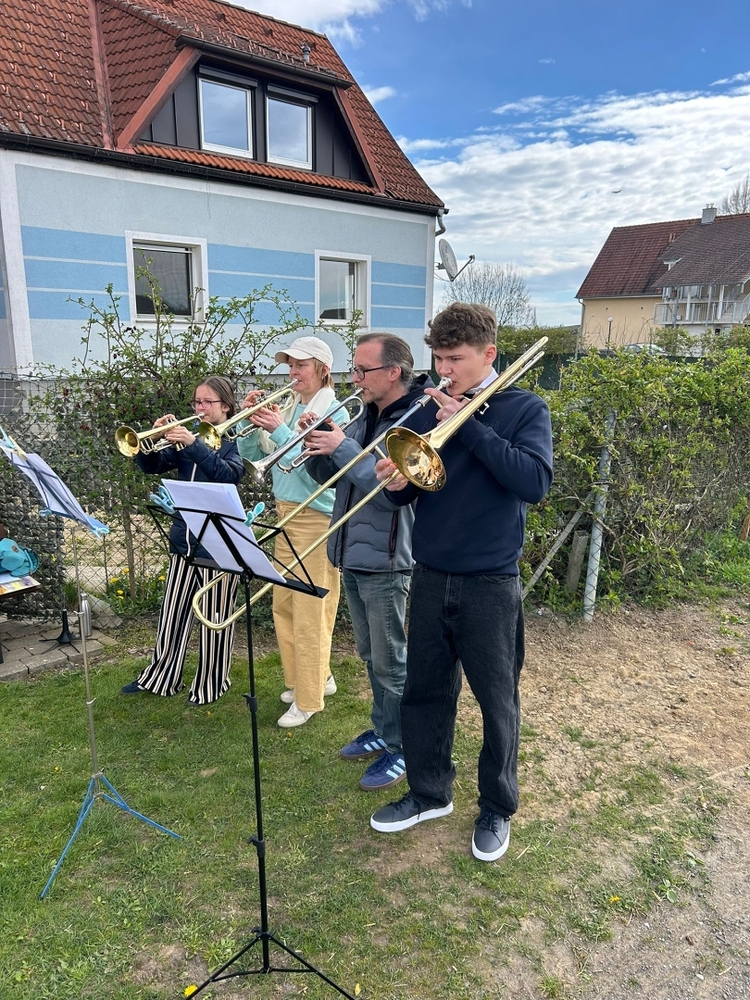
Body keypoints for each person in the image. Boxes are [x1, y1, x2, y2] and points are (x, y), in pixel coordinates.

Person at [369, 303, 553, 862]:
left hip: (490, 581)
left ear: (488, 354)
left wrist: (468, 423)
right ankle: (429, 792)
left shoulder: (524, 407)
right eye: (439, 359)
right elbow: (414, 489)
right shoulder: (430, 408)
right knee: (425, 691)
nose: (444, 370)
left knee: (497, 700)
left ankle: (497, 806)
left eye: (455, 359)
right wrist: (395, 483)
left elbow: (533, 481)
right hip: (429, 572)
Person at [304, 333, 431, 790]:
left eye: (362, 370)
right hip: (353, 551)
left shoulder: (416, 419)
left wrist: (341, 446)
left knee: (390, 661)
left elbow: (387, 493)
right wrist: (315, 445)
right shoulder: (364, 413)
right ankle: (384, 728)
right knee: (370, 654)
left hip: (388, 557)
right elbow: (337, 477)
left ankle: (402, 747)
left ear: (393, 372)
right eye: (354, 370)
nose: (354, 378)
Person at [121, 376, 245, 705]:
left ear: (225, 406)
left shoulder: (235, 441)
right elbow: (152, 466)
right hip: (184, 541)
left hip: (219, 546)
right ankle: (161, 676)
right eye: (196, 402)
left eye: (207, 402)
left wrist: (193, 444)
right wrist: (150, 442)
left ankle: (211, 683)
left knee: (214, 619)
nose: (199, 408)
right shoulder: (187, 440)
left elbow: (228, 475)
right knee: (172, 615)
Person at [237, 337, 342, 728]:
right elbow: (254, 456)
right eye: (290, 365)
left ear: (323, 370)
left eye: (301, 365)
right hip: (286, 514)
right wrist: (249, 424)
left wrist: (280, 430)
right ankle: (313, 678)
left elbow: (318, 471)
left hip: (315, 517)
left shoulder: (334, 410)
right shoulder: (291, 406)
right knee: (284, 604)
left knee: (311, 610)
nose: (292, 373)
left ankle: (309, 698)